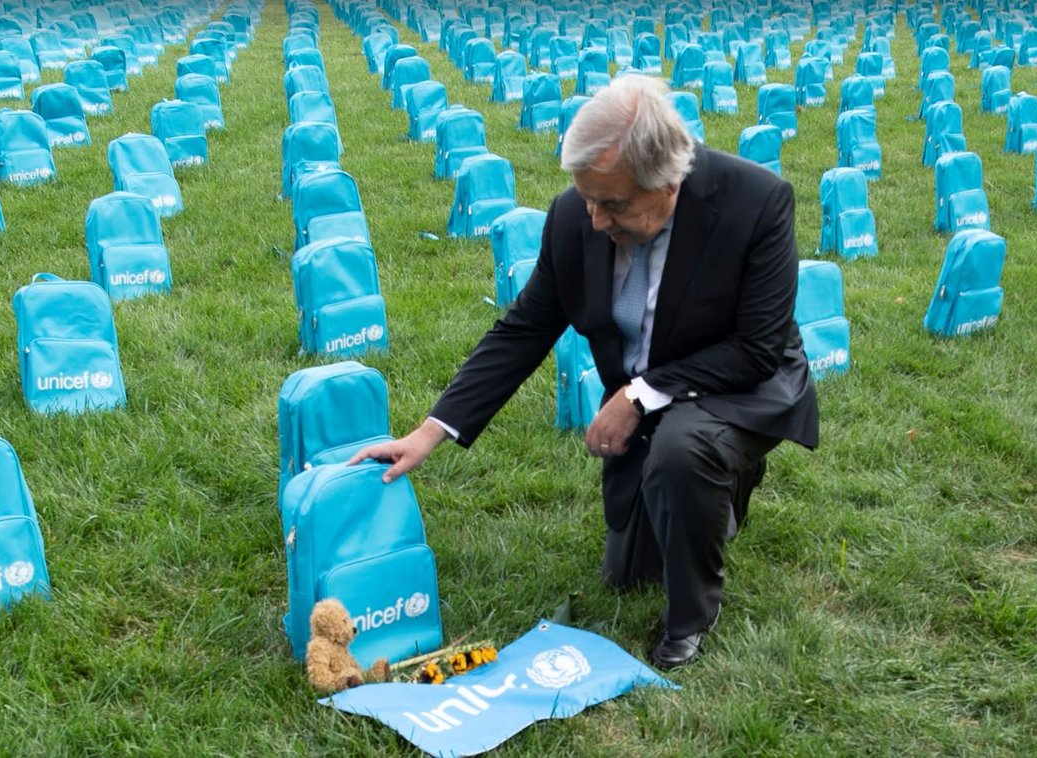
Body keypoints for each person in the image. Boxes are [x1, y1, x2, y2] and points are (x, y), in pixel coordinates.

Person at [350, 74, 818, 669]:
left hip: (741, 381)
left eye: (613, 203)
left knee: (682, 451)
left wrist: (639, 395)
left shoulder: (756, 201)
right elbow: (524, 328)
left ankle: (692, 617)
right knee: (628, 573)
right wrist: (429, 432)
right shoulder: (575, 215)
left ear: (668, 181)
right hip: (651, 387)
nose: (594, 219)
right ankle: (713, 489)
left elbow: (756, 347)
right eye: (587, 198)